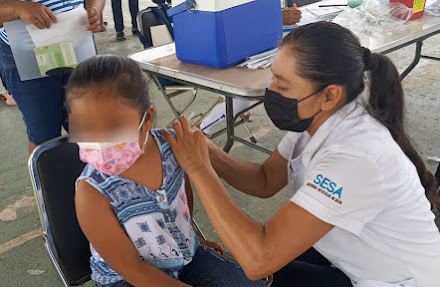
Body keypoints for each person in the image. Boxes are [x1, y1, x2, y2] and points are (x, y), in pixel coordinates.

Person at [164, 22, 440, 287]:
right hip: (350, 259)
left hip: (398, 280)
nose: (270, 92)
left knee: (253, 267)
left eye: (282, 86)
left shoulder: (356, 157)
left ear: (329, 95)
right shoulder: (315, 116)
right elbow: (265, 180)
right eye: (273, 79)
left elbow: (258, 259)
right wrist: (208, 151)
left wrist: (199, 168)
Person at [67, 55, 266, 287]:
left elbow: (182, 193)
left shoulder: (171, 146)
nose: (99, 140)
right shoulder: (90, 191)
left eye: (115, 127)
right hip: (126, 279)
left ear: (148, 118)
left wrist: (193, 239)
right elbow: (132, 268)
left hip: (185, 255)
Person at [0, 0, 104, 154]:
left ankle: (94, 177)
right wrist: (17, 8)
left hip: (78, 42)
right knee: (44, 136)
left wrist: (94, 7)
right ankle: (49, 176)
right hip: (25, 51)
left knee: (90, 128)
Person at [199, 5, 302, 136]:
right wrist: (274, 18)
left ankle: (227, 100)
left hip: (244, 53)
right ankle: (201, 131)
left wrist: (274, 16)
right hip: (213, 56)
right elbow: (228, 23)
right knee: (242, 99)